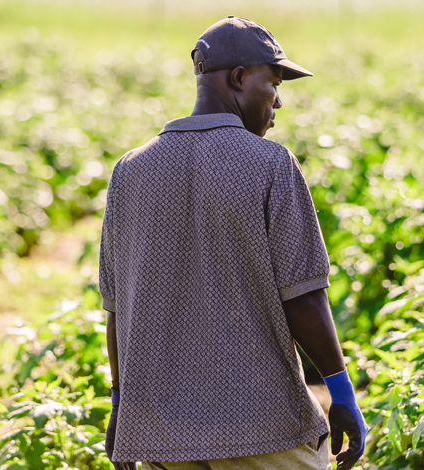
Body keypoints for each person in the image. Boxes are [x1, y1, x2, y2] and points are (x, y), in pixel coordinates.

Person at [99, 16, 369, 470]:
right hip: (262, 426)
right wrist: (341, 392)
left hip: (162, 433)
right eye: (275, 82)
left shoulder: (130, 170)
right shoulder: (270, 165)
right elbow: (303, 296)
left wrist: (121, 403)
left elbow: (117, 307)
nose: (278, 101)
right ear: (240, 77)